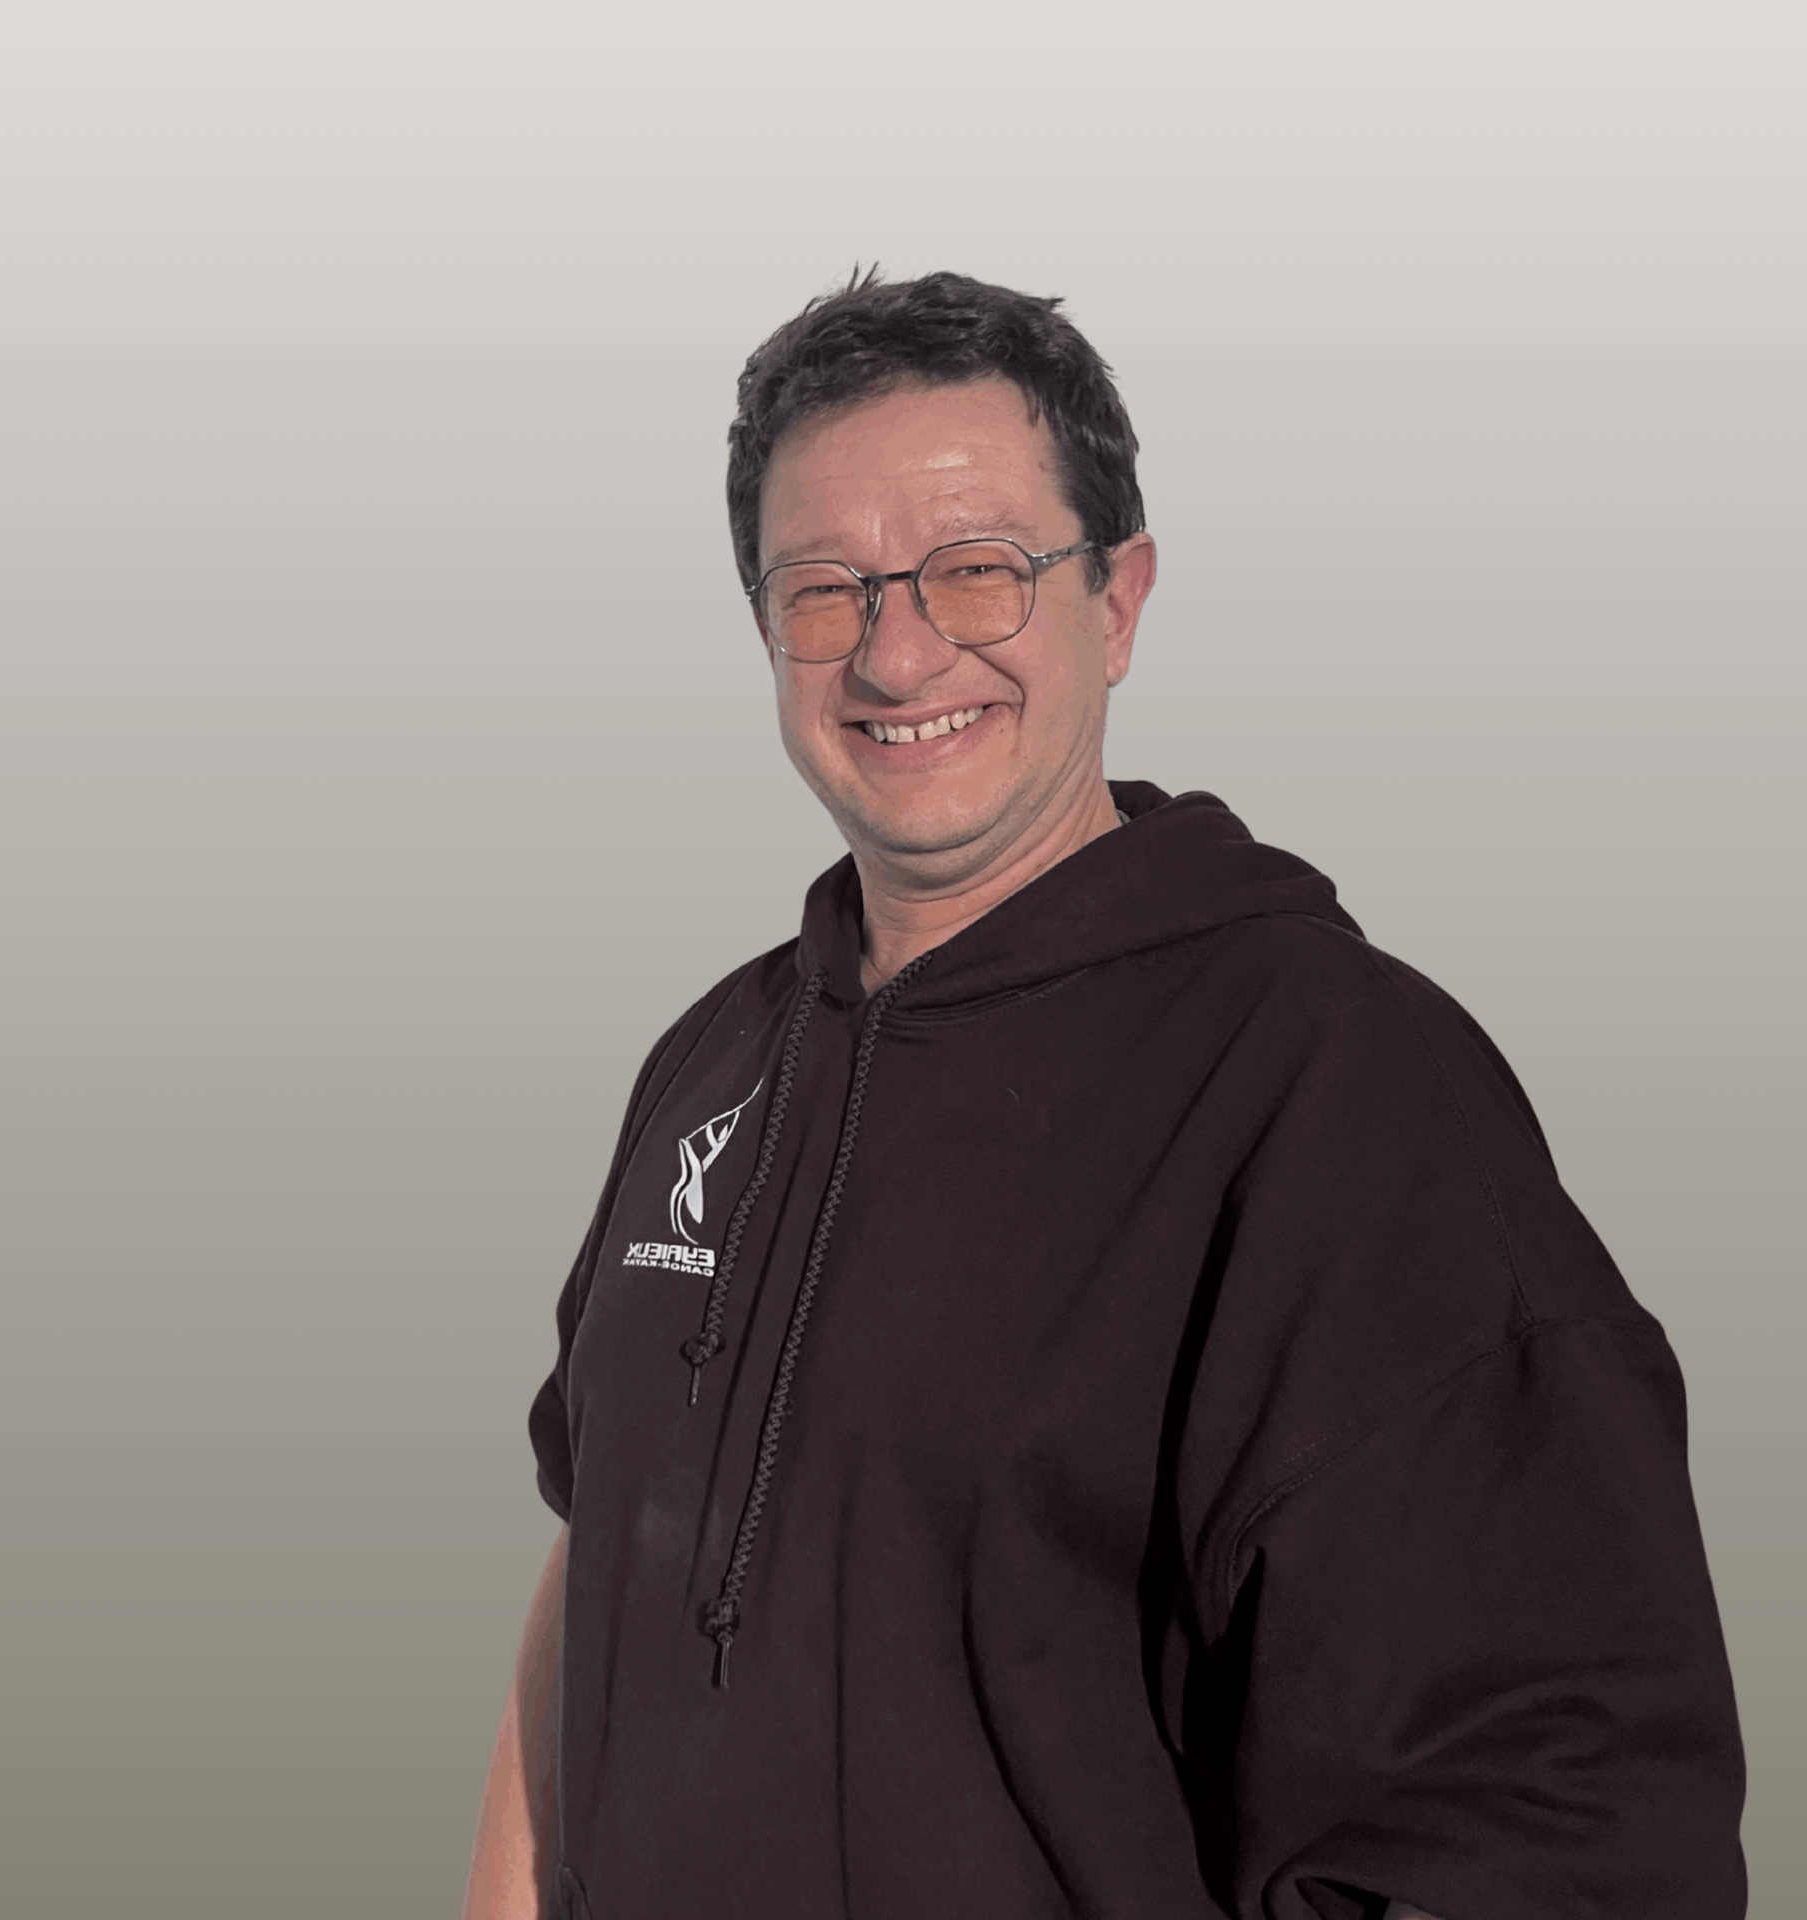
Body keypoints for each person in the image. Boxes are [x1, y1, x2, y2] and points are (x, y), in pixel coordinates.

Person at [463, 271, 1745, 1920]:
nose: (897, 650)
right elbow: (600, 1554)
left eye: (978, 571)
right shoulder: (717, 1063)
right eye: (824, 590)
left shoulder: (1339, 1086)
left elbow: (1552, 1803)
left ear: (1119, 601)